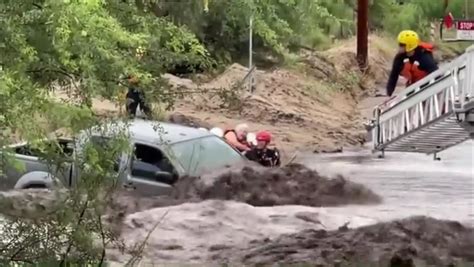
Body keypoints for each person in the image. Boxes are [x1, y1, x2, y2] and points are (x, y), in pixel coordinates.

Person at [386, 30, 439, 98]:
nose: (399, 47)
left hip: (427, 88)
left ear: (409, 46)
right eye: (399, 44)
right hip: (412, 88)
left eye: (402, 45)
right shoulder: (399, 58)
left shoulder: (424, 57)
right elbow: (393, 76)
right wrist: (389, 93)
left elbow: (436, 75)